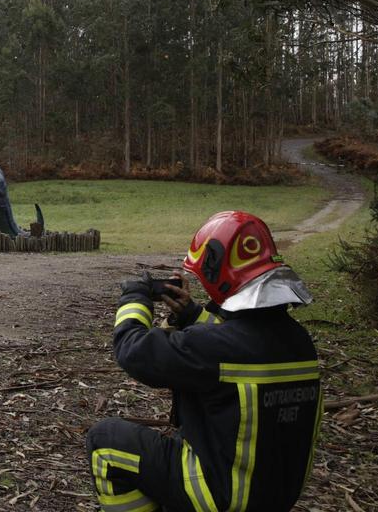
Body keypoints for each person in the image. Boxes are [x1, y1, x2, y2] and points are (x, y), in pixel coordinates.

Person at [86, 211, 321, 512]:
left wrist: (134, 300)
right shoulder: (298, 341)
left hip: (220, 497)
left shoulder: (218, 348)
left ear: (217, 274)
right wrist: (191, 315)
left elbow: (133, 350)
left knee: (105, 442)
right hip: (271, 496)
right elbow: (232, 350)